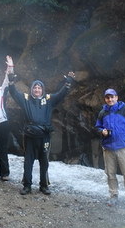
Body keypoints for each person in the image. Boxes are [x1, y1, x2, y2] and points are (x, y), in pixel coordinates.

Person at [7, 58, 76, 195]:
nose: (37, 89)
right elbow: (13, 92)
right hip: (30, 136)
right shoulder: (26, 99)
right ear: (31, 89)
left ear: (42, 89)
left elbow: (62, 94)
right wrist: (10, 80)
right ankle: (27, 185)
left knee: (44, 161)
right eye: (35, 87)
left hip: (44, 136)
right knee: (28, 161)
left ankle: (44, 185)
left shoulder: (49, 99)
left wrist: (68, 82)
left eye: (39, 87)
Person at [94, 86, 125, 208]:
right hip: (108, 148)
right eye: (107, 97)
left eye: (112, 97)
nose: (110, 99)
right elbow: (97, 126)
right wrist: (102, 131)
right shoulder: (102, 112)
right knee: (110, 174)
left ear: (116, 97)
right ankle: (113, 196)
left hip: (123, 146)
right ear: (105, 99)